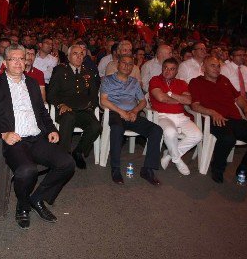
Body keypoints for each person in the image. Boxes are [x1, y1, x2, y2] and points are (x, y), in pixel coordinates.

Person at [0, 44, 75, 230]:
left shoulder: (31, 83)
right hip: (14, 140)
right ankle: (22, 206)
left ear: (26, 61)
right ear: (5, 62)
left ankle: (37, 199)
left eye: (21, 59)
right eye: (13, 59)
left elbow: (41, 111)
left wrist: (51, 130)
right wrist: (3, 134)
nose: (18, 62)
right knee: (27, 170)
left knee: (67, 163)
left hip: (37, 137)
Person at [189, 56, 247, 186]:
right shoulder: (196, 82)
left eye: (218, 66)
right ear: (203, 68)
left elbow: (238, 98)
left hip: (235, 119)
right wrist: (212, 112)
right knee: (228, 139)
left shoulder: (224, 80)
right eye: (212, 66)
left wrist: (246, 111)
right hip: (213, 119)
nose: (216, 69)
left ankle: (244, 171)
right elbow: (195, 105)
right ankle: (217, 169)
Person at [100, 54, 163, 185]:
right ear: (118, 64)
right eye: (124, 63)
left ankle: (148, 169)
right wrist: (121, 112)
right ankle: (115, 168)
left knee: (156, 130)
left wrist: (135, 111)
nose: (126, 66)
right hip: (115, 113)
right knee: (117, 129)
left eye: (130, 64)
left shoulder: (134, 82)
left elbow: (142, 101)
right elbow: (103, 100)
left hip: (132, 114)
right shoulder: (107, 80)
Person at [47, 44, 101, 167]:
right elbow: (51, 94)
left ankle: (78, 151)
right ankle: (63, 156)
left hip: (83, 110)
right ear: (68, 56)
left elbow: (93, 95)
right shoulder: (60, 70)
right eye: (75, 53)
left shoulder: (88, 72)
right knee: (69, 117)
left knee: (96, 126)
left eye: (81, 54)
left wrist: (90, 106)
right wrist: (60, 105)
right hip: (65, 109)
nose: (78, 56)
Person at [149, 58, 202, 175]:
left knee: (197, 135)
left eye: (172, 69)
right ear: (162, 68)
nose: (168, 71)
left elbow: (188, 100)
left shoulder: (182, 83)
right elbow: (160, 98)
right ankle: (178, 160)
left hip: (180, 116)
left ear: (176, 71)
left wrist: (170, 94)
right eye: (165, 68)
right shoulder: (155, 80)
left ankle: (169, 155)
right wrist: (178, 99)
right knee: (170, 132)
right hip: (162, 115)